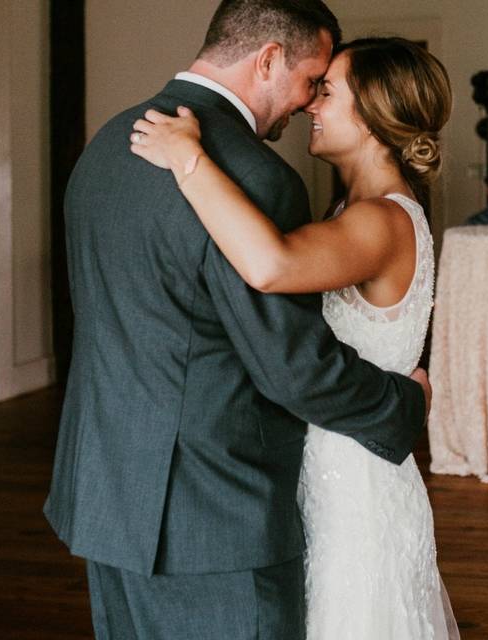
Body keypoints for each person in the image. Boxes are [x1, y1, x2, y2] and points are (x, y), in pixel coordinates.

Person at [43, 2, 431, 639]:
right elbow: (292, 368)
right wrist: (402, 405)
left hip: (106, 494)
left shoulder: (110, 142)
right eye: (311, 81)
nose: (306, 101)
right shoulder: (255, 176)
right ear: (270, 60)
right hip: (215, 513)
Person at [129, 36, 460, 640]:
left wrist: (189, 161)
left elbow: (272, 266)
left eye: (327, 91)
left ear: (371, 114)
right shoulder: (355, 212)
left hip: (352, 485)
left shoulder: (381, 220)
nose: (310, 103)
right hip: (334, 464)